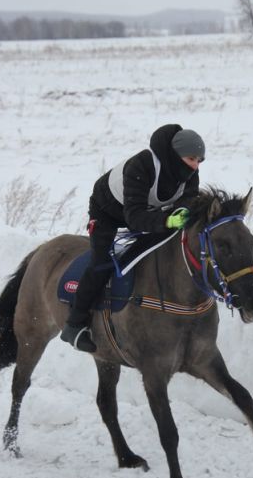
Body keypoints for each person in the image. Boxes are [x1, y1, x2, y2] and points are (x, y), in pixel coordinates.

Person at [60, 123, 206, 352]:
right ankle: (75, 324)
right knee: (102, 262)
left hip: (146, 211)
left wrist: (182, 213)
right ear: (175, 155)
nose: (195, 166)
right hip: (107, 212)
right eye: (191, 159)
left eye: (199, 160)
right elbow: (135, 216)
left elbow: (187, 201)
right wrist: (166, 221)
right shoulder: (143, 165)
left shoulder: (190, 173)